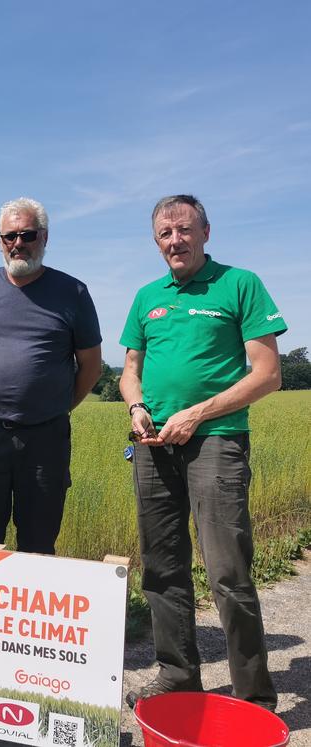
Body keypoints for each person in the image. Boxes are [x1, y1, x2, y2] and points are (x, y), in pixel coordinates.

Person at [119, 194, 286, 711]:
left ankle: (253, 694)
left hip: (216, 440)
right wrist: (136, 407)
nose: (175, 240)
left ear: (206, 232)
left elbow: (267, 374)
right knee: (162, 567)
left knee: (227, 570)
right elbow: (130, 370)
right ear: (156, 241)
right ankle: (177, 675)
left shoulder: (240, 284)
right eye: (165, 233)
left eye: (185, 229)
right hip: (153, 447)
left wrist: (196, 414)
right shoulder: (148, 297)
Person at [0, 197, 102, 555]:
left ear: (45, 238)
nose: (18, 243)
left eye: (27, 234)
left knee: (38, 540)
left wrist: (55, 407)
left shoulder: (73, 292)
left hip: (45, 440)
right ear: (0, 241)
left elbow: (92, 366)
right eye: (9, 237)